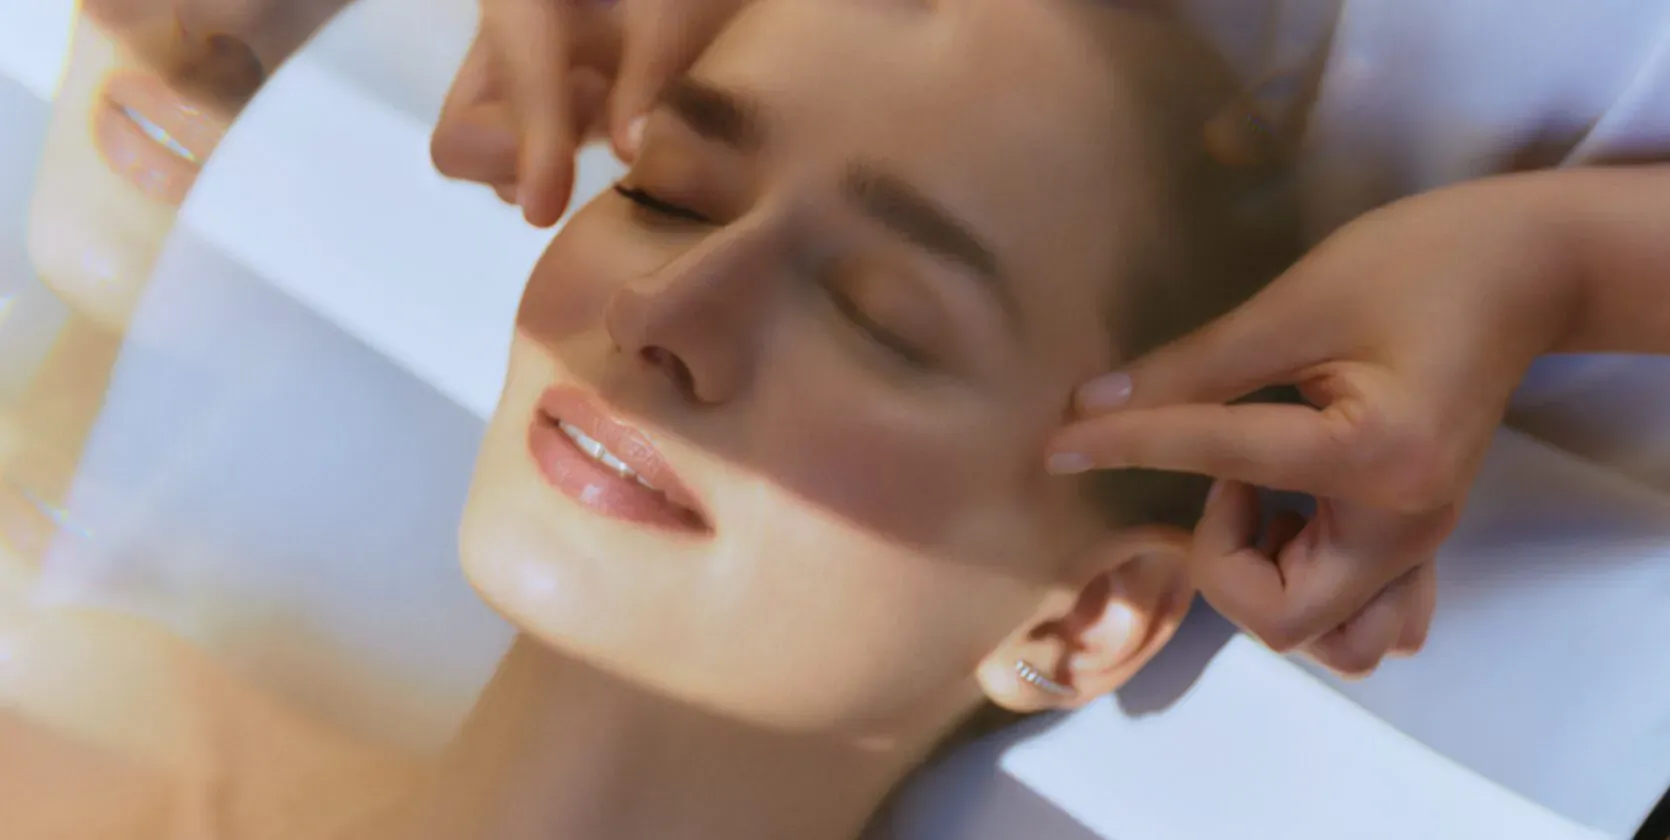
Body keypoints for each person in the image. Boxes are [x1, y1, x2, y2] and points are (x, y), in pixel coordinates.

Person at [0, 1, 1301, 837]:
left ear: (1085, 621)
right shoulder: (85, 742)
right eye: (670, 193)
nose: (664, 311)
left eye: (879, 316)